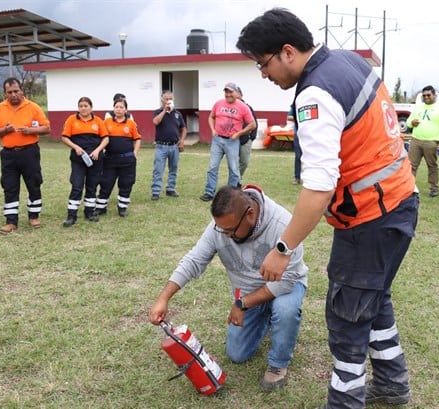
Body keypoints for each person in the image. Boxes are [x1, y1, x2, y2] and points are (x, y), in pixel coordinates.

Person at [237, 8, 418, 408]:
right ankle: (392, 384)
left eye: (263, 64)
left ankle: (345, 401)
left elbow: (318, 187)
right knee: (374, 299)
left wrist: (282, 250)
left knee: (348, 315)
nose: (263, 74)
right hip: (400, 200)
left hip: (370, 217)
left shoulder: (315, 94)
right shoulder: (348, 61)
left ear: (287, 52)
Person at [149, 184, 308, 392]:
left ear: (250, 214)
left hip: (285, 286)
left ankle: (278, 365)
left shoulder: (282, 224)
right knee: (237, 354)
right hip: (250, 292)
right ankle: (268, 317)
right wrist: (164, 298)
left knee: (285, 309)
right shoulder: (221, 227)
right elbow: (194, 260)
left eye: (231, 230)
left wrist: (243, 304)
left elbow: (288, 280)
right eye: (222, 230)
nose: (226, 235)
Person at [0, 77, 51, 234]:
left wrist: (31, 131)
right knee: (9, 186)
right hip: (9, 154)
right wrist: (4, 130)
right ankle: (11, 221)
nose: (13, 95)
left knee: (34, 183)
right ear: (5, 93)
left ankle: (34, 216)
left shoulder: (33, 107)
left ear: (22, 90)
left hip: (29, 152)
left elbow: (46, 128)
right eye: (9, 92)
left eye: (16, 91)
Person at [199, 83, 256, 201]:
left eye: (230, 92)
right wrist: (213, 129)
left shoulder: (243, 107)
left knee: (234, 169)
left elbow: (252, 124)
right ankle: (209, 192)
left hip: (232, 141)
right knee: (212, 167)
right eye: (226, 92)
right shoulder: (218, 103)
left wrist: (238, 134)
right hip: (218, 140)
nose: (228, 94)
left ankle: (231, 195)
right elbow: (211, 117)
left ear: (236, 93)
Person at [60, 96, 108, 227]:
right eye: (81, 106)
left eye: (86, 105)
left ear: (91, 107)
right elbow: (64, 137)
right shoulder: (71, 119)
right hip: (78, 160)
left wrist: (98, 150)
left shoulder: (98, 121)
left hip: (95, 159)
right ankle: (71, 215)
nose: (83, 108)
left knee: (92, 186)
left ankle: (89, 212)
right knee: (77, 186)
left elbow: (106, 139)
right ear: (78, 107)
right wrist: (75, 147)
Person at [97, 98, 141, 217]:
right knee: (106, 183)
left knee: (126, 183)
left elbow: (137, 139)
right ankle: (101, 207)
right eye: (116, 107)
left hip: (127, 160)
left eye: (121, 107)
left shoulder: (131, 124)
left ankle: (122, 207)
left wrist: (135, 153)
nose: (119, 109)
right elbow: (101, 137)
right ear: (113, 109)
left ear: (126, 110)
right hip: (110, 159)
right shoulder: (106, 122)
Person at [405, 85, 439, 197]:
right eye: (424, 95)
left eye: (428, 95)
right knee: (411, 166)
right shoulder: (418, 108)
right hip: (416, 140)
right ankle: (409, 188)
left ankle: (434, 188)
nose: (426, 97)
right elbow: (408, 122)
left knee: (432, 166)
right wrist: (412, 123)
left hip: (431, 142)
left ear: (434, 95)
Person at [150, 90, 187, 200]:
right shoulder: (158, 112)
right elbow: (155, 122)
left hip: (174, 146)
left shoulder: (177, 114)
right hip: (161, 146)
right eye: (166, 99)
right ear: (162, 100)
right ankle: (156, 192)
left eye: (170, 99)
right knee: (158, 169)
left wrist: (182, 140)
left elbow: (183, 128)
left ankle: (170, 189)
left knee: (173, 169)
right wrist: (165, 111)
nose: (168, 101)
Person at [235, 86, 258, 178]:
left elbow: (254, 123)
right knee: (233, 163)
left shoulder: (248, 108)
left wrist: (251, 137)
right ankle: (234, 182)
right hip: (233, 140)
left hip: (245, 140)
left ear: (241, 95)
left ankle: (237, 178)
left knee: (244, 162)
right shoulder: (229, 108)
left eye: (237, 94)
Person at [288, 106, 302, 185]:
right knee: (298, 156)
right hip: (298, 134)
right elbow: (289, 117)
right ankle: (297, 177)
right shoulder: (296, 104)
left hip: (311, 134)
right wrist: (302, 118)